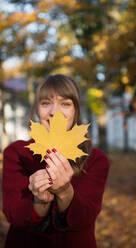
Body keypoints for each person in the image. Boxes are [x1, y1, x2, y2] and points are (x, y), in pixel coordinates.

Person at [2, 74, 110, 248]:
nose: (54, 112)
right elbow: (13, 215)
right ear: (37, 109)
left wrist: (65, 192)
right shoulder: (17, 153)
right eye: (45, 103)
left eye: (65, 103)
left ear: (76, 110)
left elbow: (85, 218)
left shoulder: (96, 160)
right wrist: (40, 201)